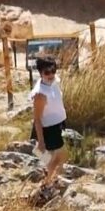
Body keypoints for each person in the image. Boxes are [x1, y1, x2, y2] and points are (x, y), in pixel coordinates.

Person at [30, 56, 68, 195]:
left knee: (58, 158)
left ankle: (52, 180)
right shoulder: (40, 94)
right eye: (47, 72)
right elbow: (37, 119)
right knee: (56, 159)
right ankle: (46, 184)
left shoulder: (53, 82)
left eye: (53, 70)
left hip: (58, 124)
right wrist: (41, 142)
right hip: (48, 128)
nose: (51, 74)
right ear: (40, 73)